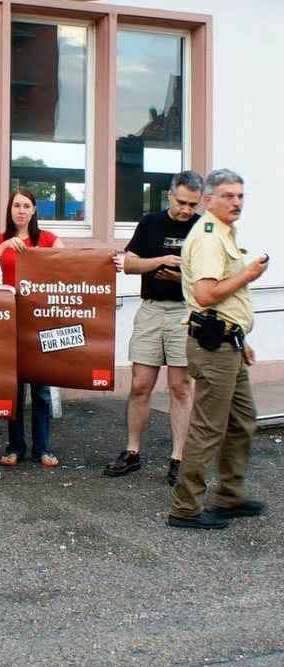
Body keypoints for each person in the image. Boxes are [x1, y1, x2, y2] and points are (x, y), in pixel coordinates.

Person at [167, 169, 268, 530]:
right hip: (214, 346)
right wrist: (249, 274)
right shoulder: (210, 236)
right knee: (208, 428)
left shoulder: (223, 232)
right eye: (228, 195)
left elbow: (225, 302)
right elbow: (206, 295)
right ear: (208, 200)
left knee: (242, 420)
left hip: (228, 342)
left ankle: (229, 495)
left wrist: (242, 341)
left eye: (240, 195)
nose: (237, 202)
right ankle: (185, 508)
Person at [105, 171, 203, 484]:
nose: (186, 210)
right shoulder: (151, 223)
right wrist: (163, 260)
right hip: (150, 310)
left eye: (192, 204)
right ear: (170, 195)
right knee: (139, 385)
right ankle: (132, 452)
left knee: (180, 388)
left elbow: (210, 276)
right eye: (182, 202)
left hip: (184, 313)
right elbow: (129, 264)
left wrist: (182, 276)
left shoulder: (203, 227)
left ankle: (179, 458)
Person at [0, 187, 64, 468]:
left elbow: (72, 264)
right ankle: (15, 446)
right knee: (13, 387)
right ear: (10, 209)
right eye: (17, 205)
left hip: (40, 319)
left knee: (41, 387)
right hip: (10, 318)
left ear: (34, 210)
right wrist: (4, 246)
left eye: (26, 206)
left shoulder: (47, 239)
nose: (21, 210)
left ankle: (43, 448)